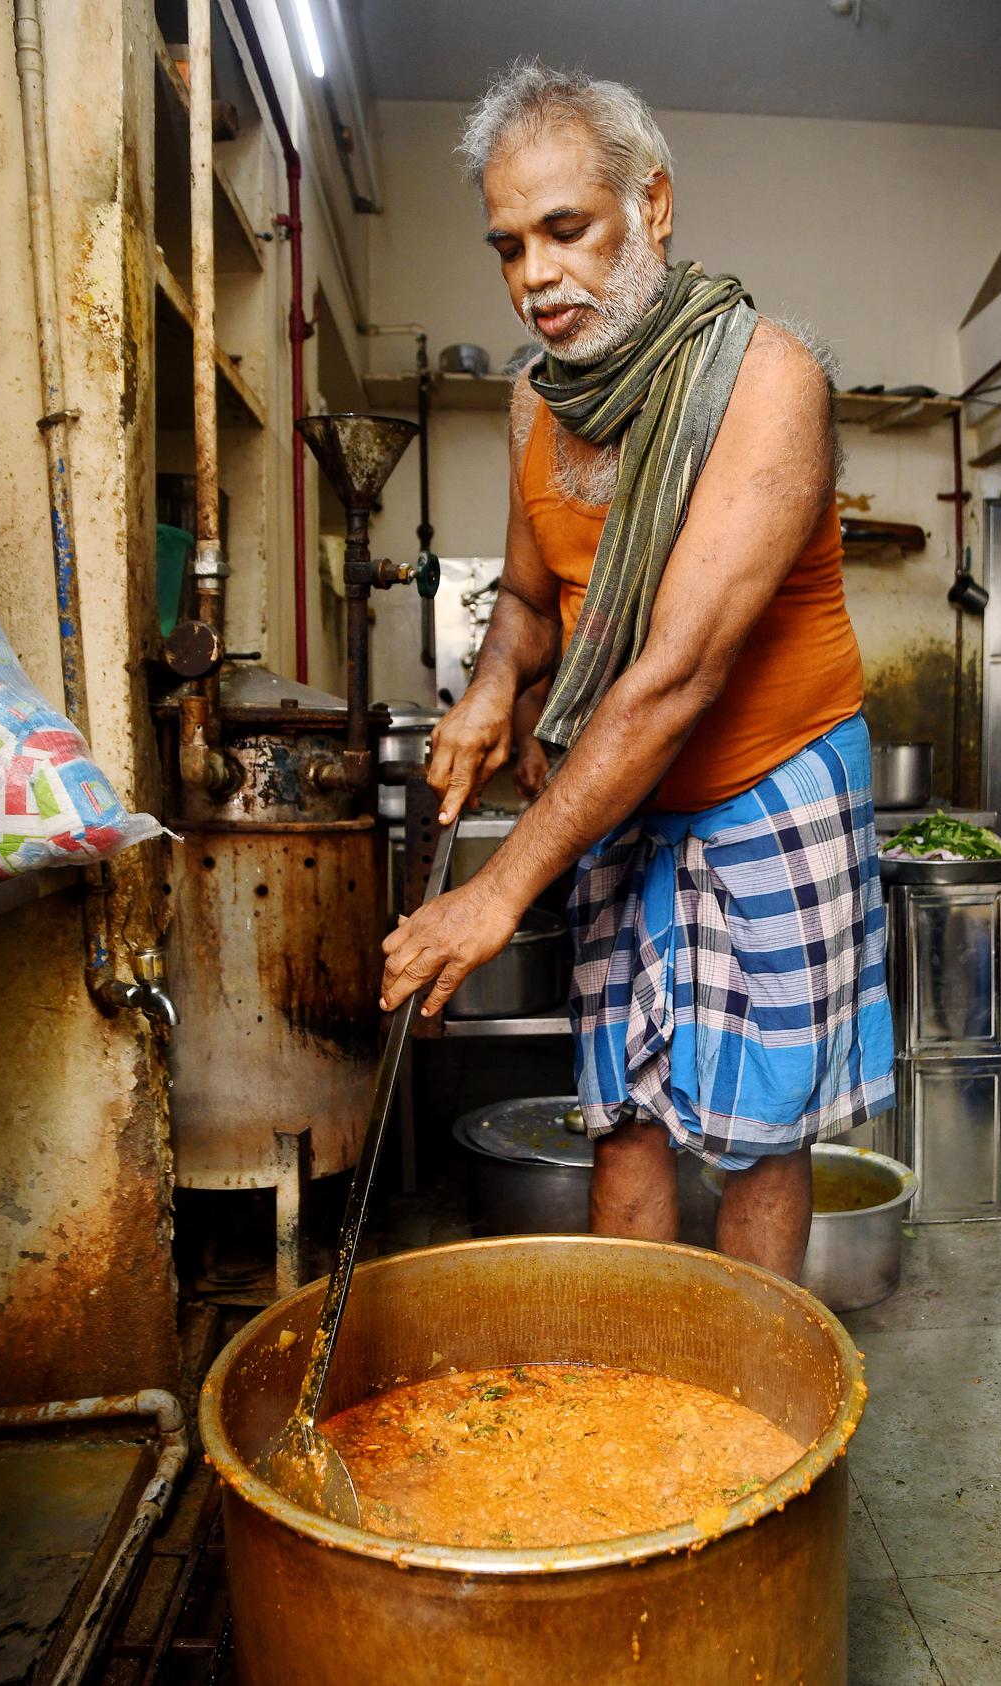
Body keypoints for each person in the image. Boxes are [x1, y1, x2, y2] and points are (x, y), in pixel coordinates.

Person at [380, 60, 894, 1277]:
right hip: (619, 793)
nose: (536, 277)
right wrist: (498, 682)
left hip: (773, 778)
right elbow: (525, 598)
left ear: (651, 207)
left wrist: (496, 890)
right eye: (509, 246)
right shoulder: (533, 405)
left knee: (761, 1138)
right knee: (624, 1107)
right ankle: (641, 1383)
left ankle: (753, 1413)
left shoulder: (769, 385)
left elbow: (674, 675)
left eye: (568, 229)